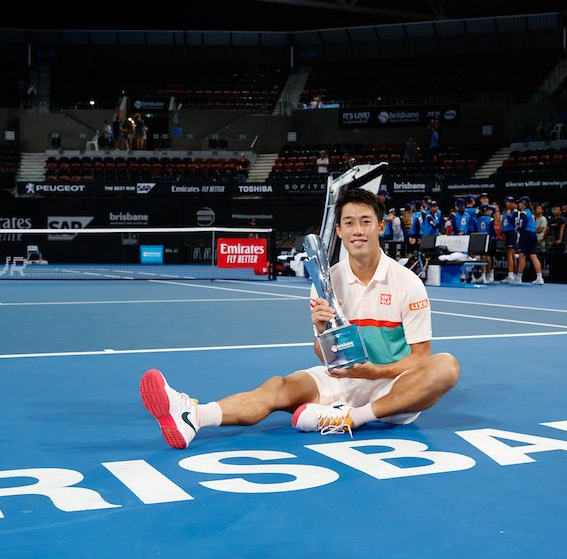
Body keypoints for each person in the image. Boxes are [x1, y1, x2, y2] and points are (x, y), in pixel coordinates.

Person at [139, 187, 461, 448]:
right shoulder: (325, 282)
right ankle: (195, 416)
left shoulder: (407, 283)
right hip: (344, 379)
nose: (358, 230)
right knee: (278, 387)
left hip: (392, 388)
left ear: (380, 226)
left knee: (446, 367)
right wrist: (322, 332)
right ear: (339, 230)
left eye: (365, 222)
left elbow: (421, 358)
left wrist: (375, 372)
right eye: (349, 223)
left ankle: (351, 418)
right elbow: (325, 356)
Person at [515, 196, 543, 284]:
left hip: (526, 235)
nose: (518, 204)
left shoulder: (523, 213)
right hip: (533, 235)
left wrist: (517, 229)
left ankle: (518, 278)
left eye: (520, 203)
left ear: (523, 203)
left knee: (522, 256)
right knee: (533, 256)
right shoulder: (530, 213)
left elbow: (522, 225)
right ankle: (540, 278)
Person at [500, 197, 519, 283]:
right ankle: (511, 275)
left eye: (511, 202)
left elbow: (514, 224)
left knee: (511, 253)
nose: (510, 203)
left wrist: (508, 215)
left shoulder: (515, 212)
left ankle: (511, 275)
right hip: (506, 234)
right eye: (508, 202)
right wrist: (502, 233)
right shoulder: (504, 212)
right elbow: (504, 224)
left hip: (512, 233)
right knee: (509, 254)